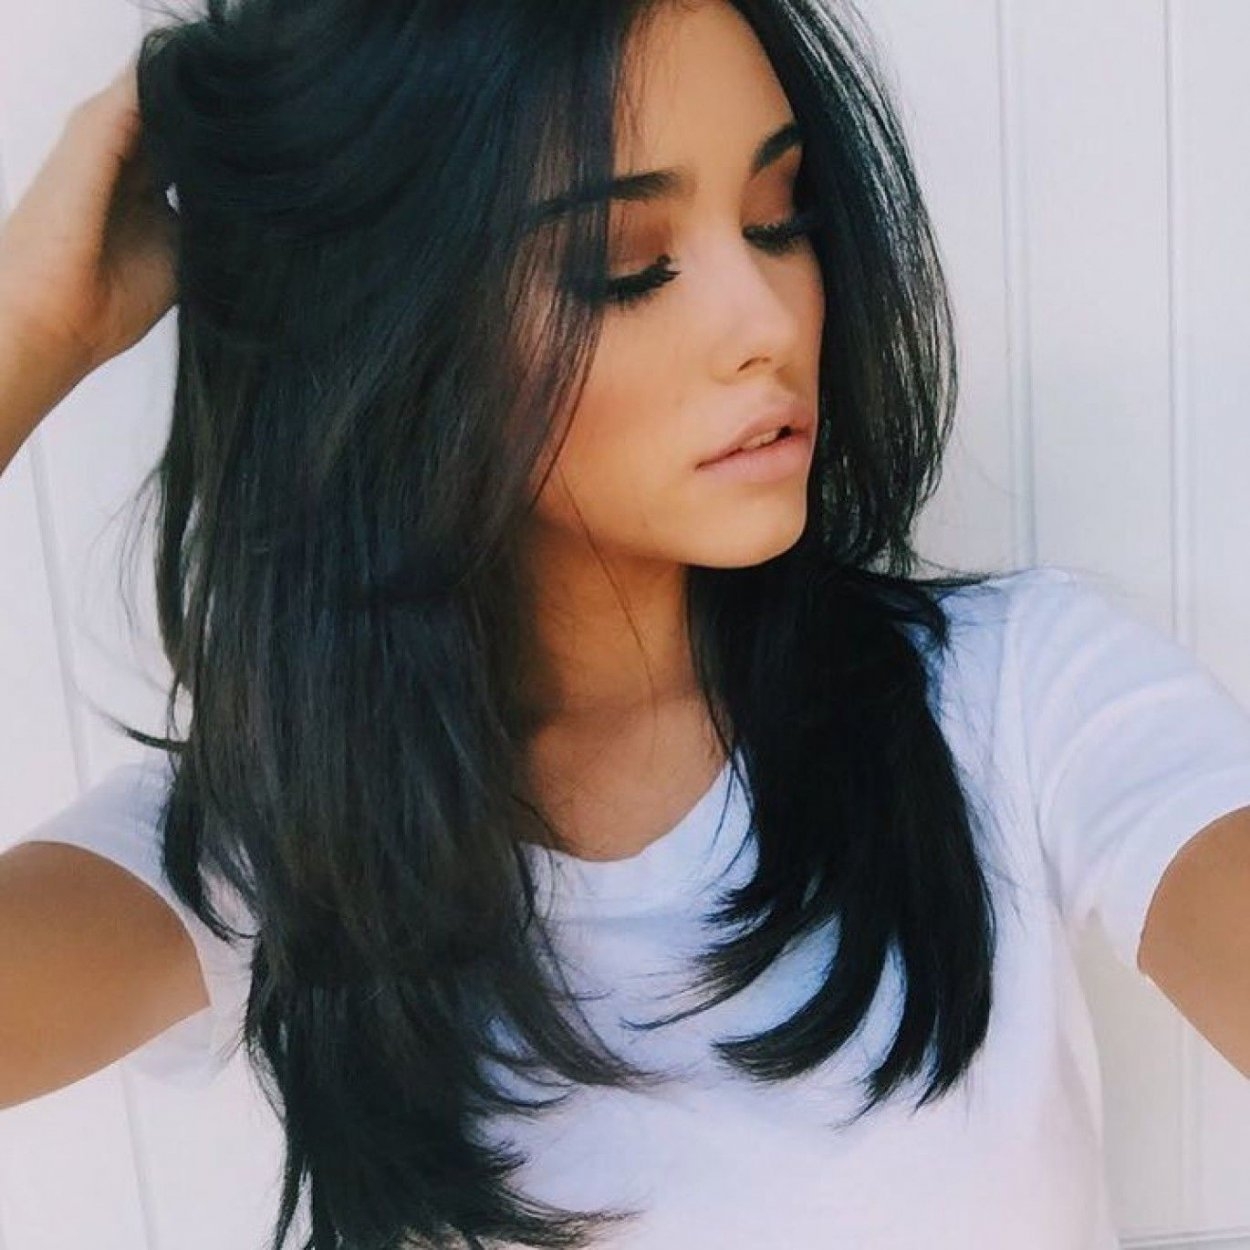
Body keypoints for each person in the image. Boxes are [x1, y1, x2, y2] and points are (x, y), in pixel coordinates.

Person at [2, 2, 1249, 1248]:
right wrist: (24, 333)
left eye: (778, 219)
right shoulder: (272, 842)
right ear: (388, 330)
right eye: (624, 265)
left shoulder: (1021, 700)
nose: (768, 321)